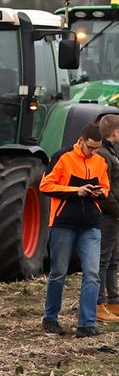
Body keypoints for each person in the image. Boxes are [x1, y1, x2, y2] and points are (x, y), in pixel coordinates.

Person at [39, 123, 110, 337]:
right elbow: (45, 186)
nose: (94, 152)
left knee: (92, 273)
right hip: (63, 224)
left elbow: (106, 187)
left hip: (91, 225)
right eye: (91, 148)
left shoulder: (101, 161)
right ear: (81, 141)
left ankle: (86, 324)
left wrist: (99, 193)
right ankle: (50, 319)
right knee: (58, 273)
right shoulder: (62, 157)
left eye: (97, 148)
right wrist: (75, 191)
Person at [94, 114, 119, 322]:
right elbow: (105, 190)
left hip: (113, 215)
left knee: (113, 260)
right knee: (103, 260)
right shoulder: (103, 154)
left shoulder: (110, 152)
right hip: (107, 215)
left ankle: (113, 301)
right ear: (115, 132)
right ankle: (99, 304)